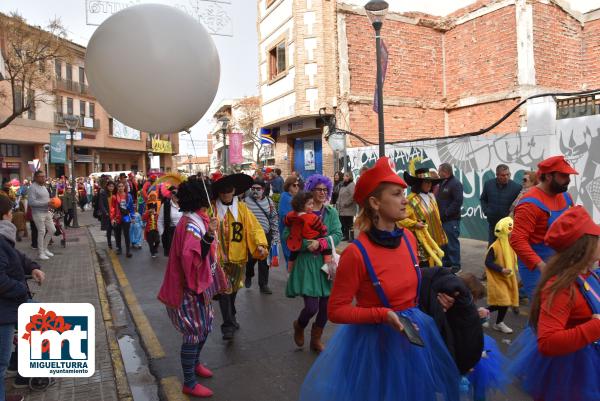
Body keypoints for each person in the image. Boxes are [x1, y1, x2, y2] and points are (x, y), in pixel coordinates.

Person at [298, 157, 460, 401]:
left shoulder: (408, 237)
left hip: (412, 337)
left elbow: (405, 283)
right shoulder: (356, 253)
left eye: (403, 193)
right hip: (375, 348)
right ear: (374, 202)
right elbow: (336, 311)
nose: (405, 200)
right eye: (396, 194)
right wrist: (382, 315)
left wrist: (436, 298)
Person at [507, 206, 600, 401]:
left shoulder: (587, 272)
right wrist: (595, 326)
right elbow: (547, 342)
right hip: (572, 370)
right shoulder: (561, 288)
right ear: (585, 247)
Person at [157, 177, 226, 398]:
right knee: (194, 332)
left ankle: (195, 363)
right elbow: (191, 258)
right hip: (188, 288)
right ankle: (189, 380)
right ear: (199, 197)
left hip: (199, 285)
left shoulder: (198, 218)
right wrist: (208, 236)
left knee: (206, 327)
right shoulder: (189, 224)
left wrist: (210, 231)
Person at [286, 174, 342, 353]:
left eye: (326, 190)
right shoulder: (297, 215)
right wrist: (305, 245)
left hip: (326, 264)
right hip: (306, 265)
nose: (323, 193)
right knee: (311, 307)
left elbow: (337, 234)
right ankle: (300, 325)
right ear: (311, 191)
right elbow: (287, 236)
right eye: (319, 189)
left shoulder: (331, 212)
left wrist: (322, 243)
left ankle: (315, 339)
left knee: (326, 308)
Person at [510, 155, 577, 300]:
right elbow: (517, 240)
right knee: (542, 312)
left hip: (561, 261)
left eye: (569, 175)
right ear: (548, 176)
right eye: (563, 175)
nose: (568, 179)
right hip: (537, 267)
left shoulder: (566, 197)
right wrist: (541, 266)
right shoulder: (529, 204)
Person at [212, 173, 268, 340]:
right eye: (222, 191)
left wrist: (260, 244)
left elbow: (254, 228)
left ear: (234, 191)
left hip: (238, 258)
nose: (225, 193)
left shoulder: (243, 209)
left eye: (228, 190)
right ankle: (227, 325)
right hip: (219, 259)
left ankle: (232, 314)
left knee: (234, 289)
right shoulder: (212, 209)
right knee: (224, 290)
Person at [0, 195, 45, 401]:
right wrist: (21, 288)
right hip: (5, 309)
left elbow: (16, 257)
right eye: (10, 211)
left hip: (11, 304)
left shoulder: (3, 240)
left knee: (38, 320)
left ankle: (18, 366)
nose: (12, 214)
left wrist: (33, 267)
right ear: (5, 214)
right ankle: (18, 369)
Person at [400, 166, 447, 267]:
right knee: (425, 268)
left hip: (434, 239)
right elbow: (400, 218)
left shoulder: (431, 197)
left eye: (430, 182)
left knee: (436, 266)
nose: (429, 184)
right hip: (421, 242)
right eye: (426, 182)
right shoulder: (412, 200)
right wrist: (415, 224)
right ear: (419, 183)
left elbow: (436, 217)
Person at [483, 217, 519, 334]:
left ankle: (494, 320)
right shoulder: (495, 246)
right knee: (504, 301)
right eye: (510, 231)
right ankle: (485, 313)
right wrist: (501, 269)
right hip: (498, 278)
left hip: (508, 279)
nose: (513, 233)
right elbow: (488, 262)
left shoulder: (511, 244)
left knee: (503, 302)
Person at [243, 178, 279, 294]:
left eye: (258, 189)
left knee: (264, 261)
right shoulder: (244, 202)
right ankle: (249, 274)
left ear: (263, 190)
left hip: (265, 235)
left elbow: (274, 219)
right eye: (252, 189)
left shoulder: (269, 202)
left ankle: (263, 284)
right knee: (250, 260)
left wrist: (275, 237)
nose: (255, 191)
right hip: (251, 237)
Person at [284, 192, 331, 272]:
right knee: (325, 247)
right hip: (312, 236)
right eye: (309, 204)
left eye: (312, 203)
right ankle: (327, 263)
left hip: (297, 237)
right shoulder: (312, 217)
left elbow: (286, 222)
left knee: (293, 252)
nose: (312, 206)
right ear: (301, 205)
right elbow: (320, 227)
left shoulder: (291, 215)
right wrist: (324, 231)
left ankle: (290, 267)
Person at [480, 165, 522, 245]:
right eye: (503, 175)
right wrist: (487, 211)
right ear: (497, 175)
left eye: (508, 174)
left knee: (506, 250)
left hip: (508, 226)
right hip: (493, 224)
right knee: (492, 248)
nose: (506, 177)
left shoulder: (516, 187)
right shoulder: (488, 184)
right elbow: (483, 199)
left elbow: (519, 206)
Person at [438, 163, 464, 272]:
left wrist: (446, 213)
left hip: (451, 220)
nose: (438, 173)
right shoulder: (444, 182)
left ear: (445, 172)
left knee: (452, 243)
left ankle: (456, 266)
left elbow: (458, 201)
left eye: (439, 171)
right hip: (443, 220)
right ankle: (447, 263)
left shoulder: (455, 183)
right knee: (444, 243)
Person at [28, 170, 56, 261]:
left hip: (46, 211)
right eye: (41, 176)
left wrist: (52, 202)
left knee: (52, 229)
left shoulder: (44, 186)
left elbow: (46, 199)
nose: (43, 178)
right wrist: (47, 203)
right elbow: (31, 202)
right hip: (38, 213)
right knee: (42, 231)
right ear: (35, 177)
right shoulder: (32, 187)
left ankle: (44, 249)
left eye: (44, 176)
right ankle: (41, 253)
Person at [278, 176, 301, 266]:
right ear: (288, 186)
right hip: (289, 233)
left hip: (293, 233)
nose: (297, 187)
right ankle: (292, 278)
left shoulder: (292, 197)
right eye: (294, 185)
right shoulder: (286, 198)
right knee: (291, 257)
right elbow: (286, 217)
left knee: (293, 258)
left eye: (297, 185)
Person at [112, 181, 135, 257]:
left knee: (126, 234)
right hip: (117, 218)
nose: (121, 188)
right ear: (117, 188)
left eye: (122, 186)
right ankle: (119, 248)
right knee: (117, 234)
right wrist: (113, 218)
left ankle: (128, 251)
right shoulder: (114, 196)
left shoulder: (128, 196)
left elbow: (131, 208)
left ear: (124, 187)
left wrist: (132, 217)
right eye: (119, 186)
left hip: (126, 217)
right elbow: (112, 208)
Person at [159, 187, 183, 257]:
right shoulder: (165, 205)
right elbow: (160, 221)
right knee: (172, 256)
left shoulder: (184, 205)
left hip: (182, 233)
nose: (176, 194)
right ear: (171, 194)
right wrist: (162, 233)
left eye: (177, 192)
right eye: (173, 192)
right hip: (170, 234)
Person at [336, 172, 357, 241]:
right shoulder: (344, 185)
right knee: (344, 224)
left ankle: (351, 237)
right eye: (344, 176)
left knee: (349, 224)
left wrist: (346, 203)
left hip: (348, 209)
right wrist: (338, 202)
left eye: (345, 176)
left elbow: (353, 196)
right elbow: (340, 195)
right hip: (342, 209)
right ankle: (346, 236)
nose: (343, 177)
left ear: (349, 177)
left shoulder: (351, 185)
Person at [99, 181, 117, 249]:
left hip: (115, 214)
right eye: (110, 186)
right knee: (109, 230)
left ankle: (117, 244)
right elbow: (101, 204)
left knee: (116, 229)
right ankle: (109, 243)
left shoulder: (115, 193)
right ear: (107, 187)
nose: (111, 188)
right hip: (108, 215)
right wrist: (105, 212)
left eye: (112, 186)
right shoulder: (103, 193)